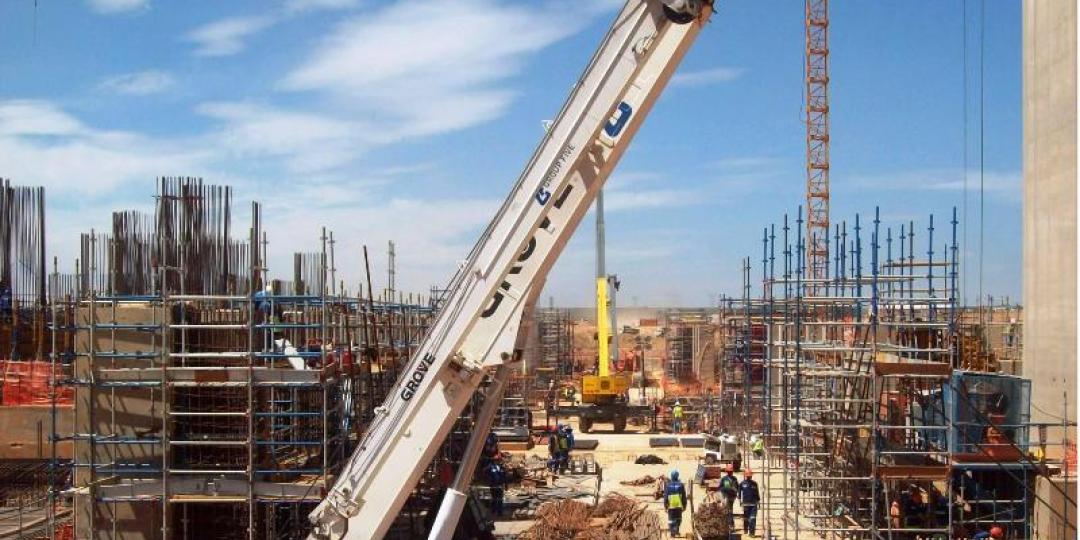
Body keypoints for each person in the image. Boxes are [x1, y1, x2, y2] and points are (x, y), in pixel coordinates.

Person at [663, 470, 687, 537]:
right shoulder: (681, 485)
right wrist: (684, 505)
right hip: (679, 505)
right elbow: (684, 497)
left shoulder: (668, 485)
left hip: (671, 506)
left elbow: (665, 496)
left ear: (671, 476)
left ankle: (672, 532)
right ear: (677, 476)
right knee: (678, 519)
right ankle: (676, 530)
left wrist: (665, 506)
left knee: (671, 519)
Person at [739, 470, 761, 537]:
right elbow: (739, 493)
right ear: (745, 476)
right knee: (746, 518)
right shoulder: (742, 483)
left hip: (753, 504)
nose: (749, 477)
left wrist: (758, 502)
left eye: (750, 476)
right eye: (748, 476)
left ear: (751, 476)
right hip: (746, 504)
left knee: (752, 518)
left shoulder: (755, 484)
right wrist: (740, 501)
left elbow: (757, 494)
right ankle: (746, 529)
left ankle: (752, 533)